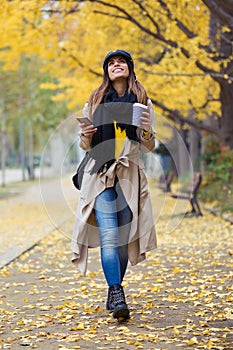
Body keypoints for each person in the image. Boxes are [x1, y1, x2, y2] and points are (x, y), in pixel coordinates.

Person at [72, 49, 157, 321]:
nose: (115, 65)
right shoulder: (95, 102)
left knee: (122, 240)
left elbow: (148, 144)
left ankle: (113, 292)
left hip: (129, 176)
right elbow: (86, 145)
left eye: (120, 62)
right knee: (110, 235)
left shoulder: (142, 102)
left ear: (130, 68)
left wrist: (145, 131)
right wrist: (85, 135)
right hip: (100, 175)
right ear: (106, 71)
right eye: (110, 63)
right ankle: (117, 291)